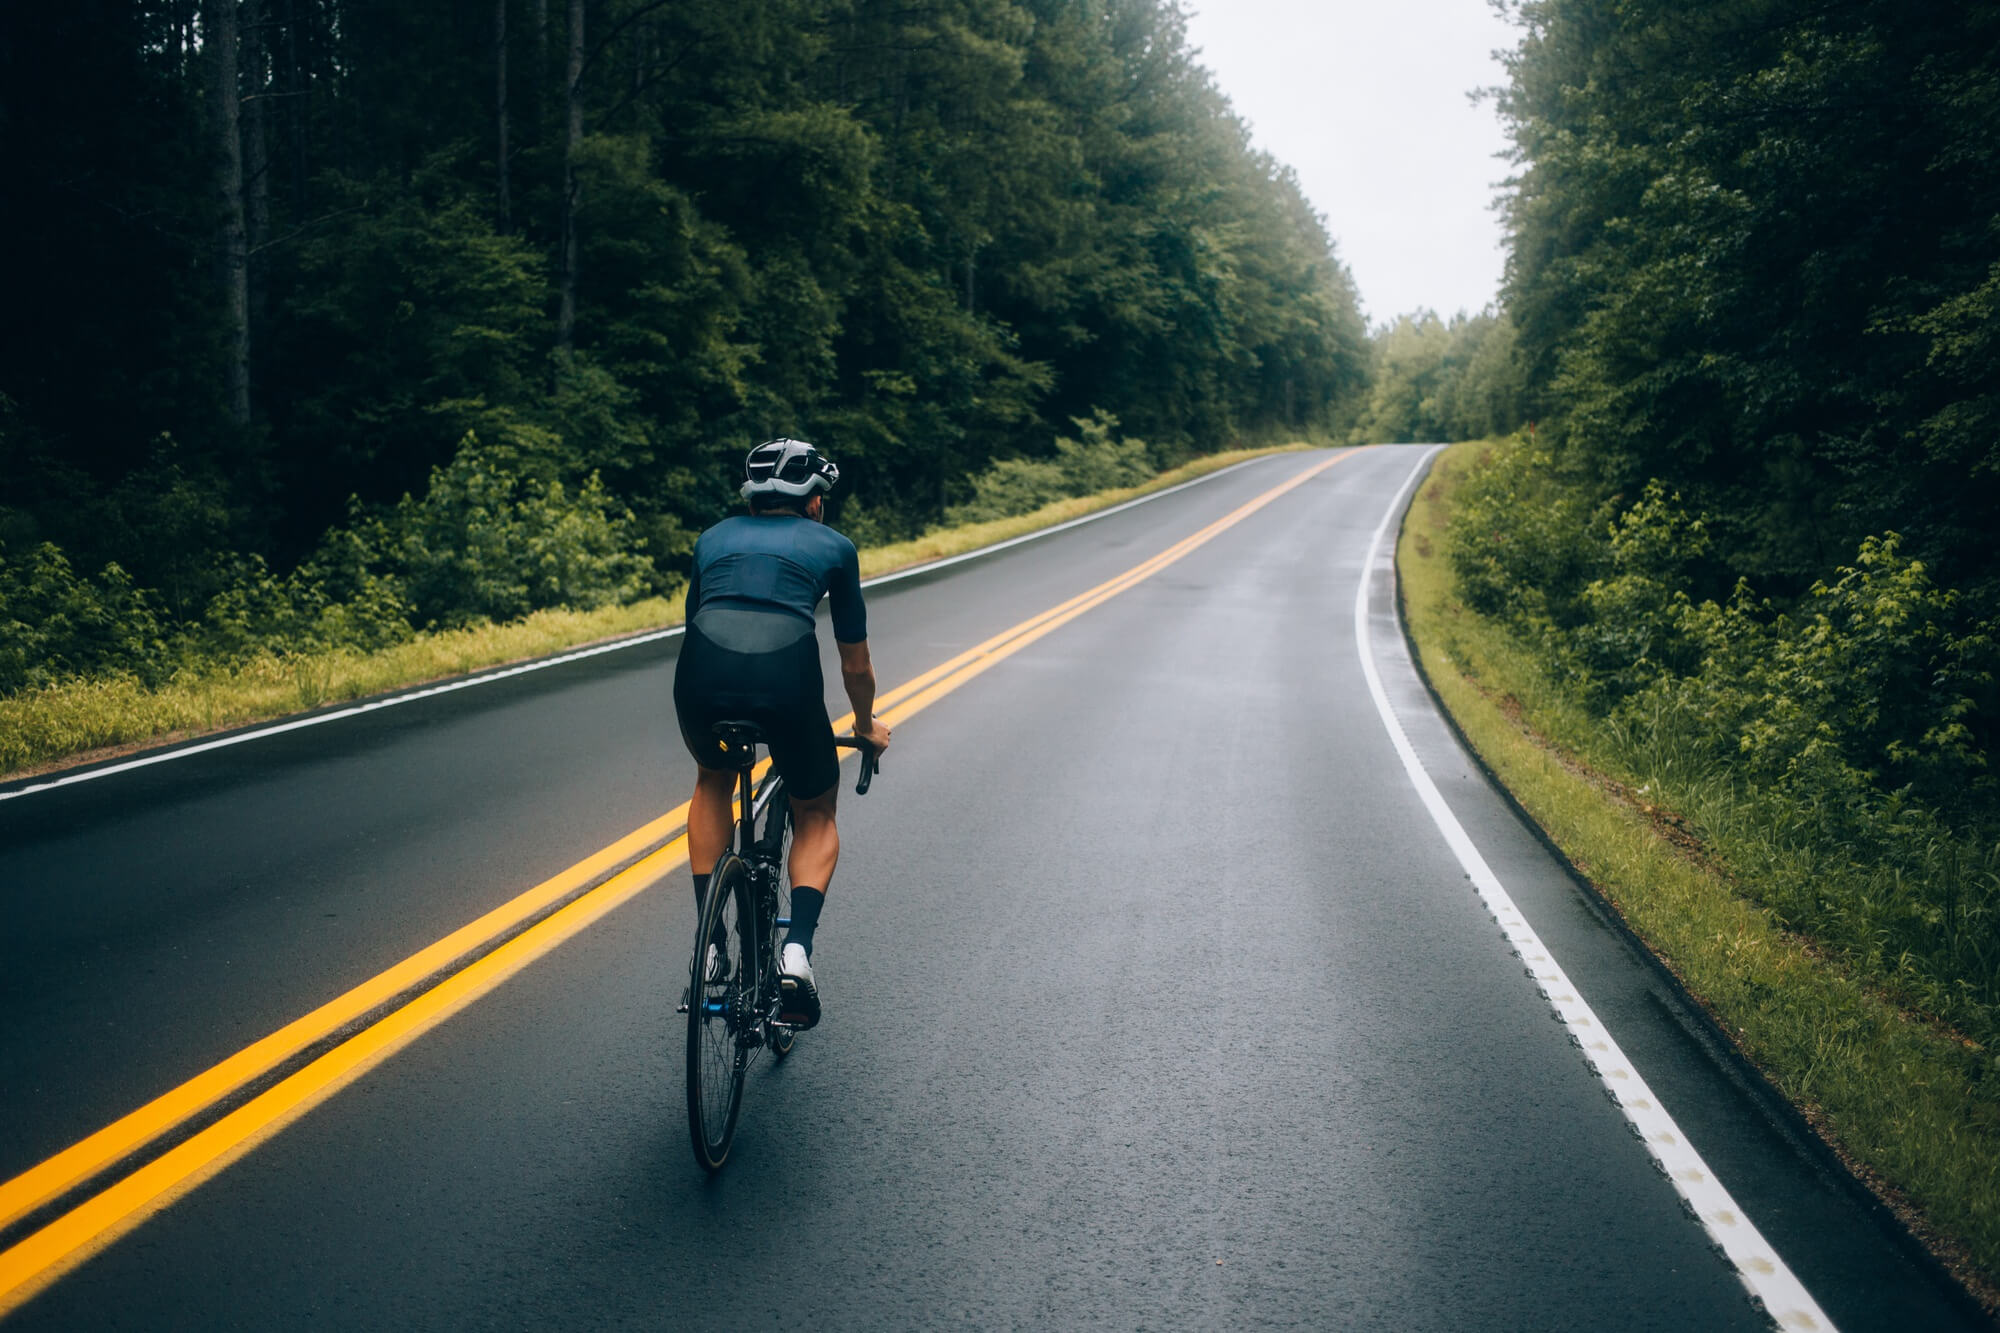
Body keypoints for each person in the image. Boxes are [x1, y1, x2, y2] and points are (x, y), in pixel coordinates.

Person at [673, 438, 891, 1028]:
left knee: (712, 779)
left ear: (752, 497)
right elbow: (855, 665)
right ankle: (796, 953)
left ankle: (710, 947)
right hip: (785, 683)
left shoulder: (711, 539)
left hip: (700, 676)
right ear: (814, 501)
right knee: (815, 810)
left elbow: (697, 621)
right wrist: (865, 727)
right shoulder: (835, 547)